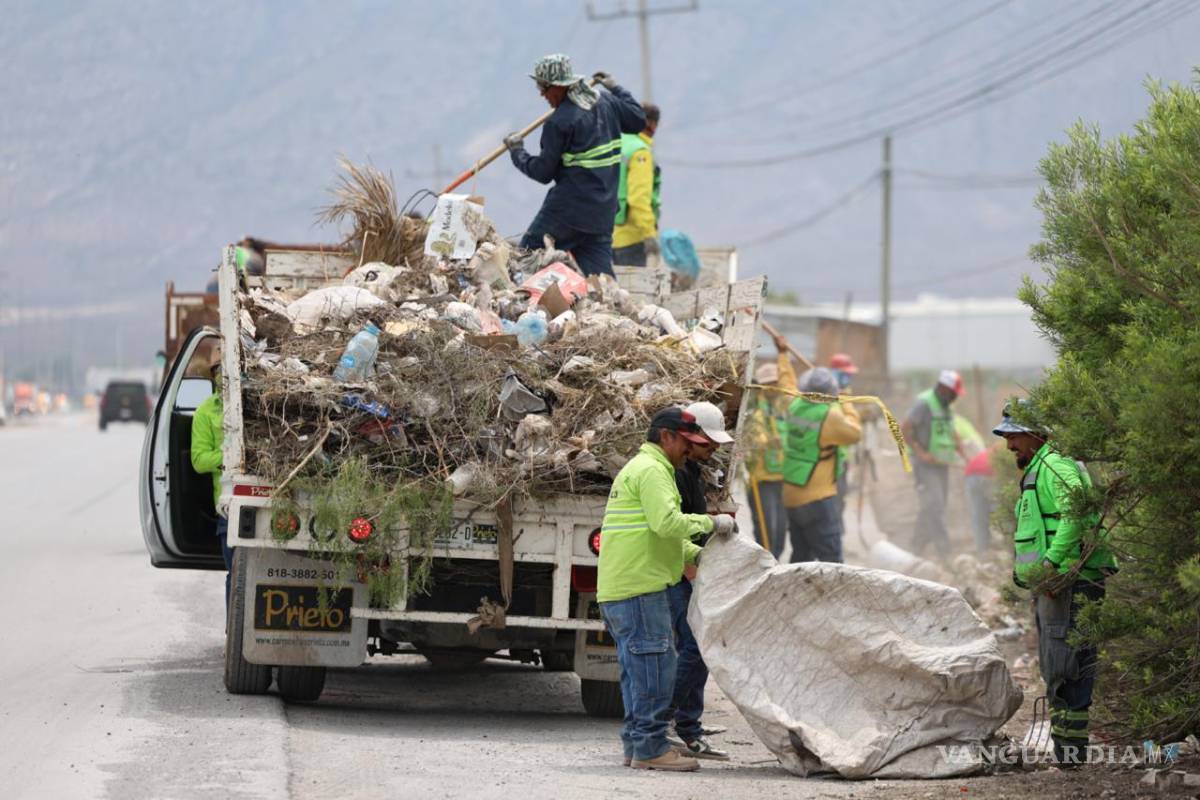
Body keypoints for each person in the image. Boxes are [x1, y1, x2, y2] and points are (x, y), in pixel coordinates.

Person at [597, 407, 736, 772]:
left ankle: (637, 745)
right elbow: (667, 523)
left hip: (625, 587)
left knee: (636, 673)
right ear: (667, 437)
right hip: (640, 588)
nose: (690, 451)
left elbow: (658, 535)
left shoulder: (646, 469)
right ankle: (650, 748)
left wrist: (700, 555)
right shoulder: (654, 471)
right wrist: (712, 522)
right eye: (686, 443)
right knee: (656, 671)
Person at [992, 402, 1116, 767]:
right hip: (1059, 585)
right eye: (1007, 435)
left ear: (1036, 434)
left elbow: (1075, 515)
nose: (1009, 444)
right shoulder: (1041, 466)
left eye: (1014, 435)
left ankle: (1071, 758)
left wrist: (1050, 566)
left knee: (1067, 668)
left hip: (1069, 584)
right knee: (1061, 668)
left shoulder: (1054, 465)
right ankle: (1068, 756)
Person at [505, 54, 646, 278]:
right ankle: (609, 311)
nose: (542, 94)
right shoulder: (606, 102)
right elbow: (638, 119)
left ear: (559, 87)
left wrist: (517, 152)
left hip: (566, 214)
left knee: (523, 261)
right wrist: (617, 89)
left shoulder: (560, 121)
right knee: (602, 282)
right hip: (601, 214)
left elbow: (543, 172)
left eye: (543, 87)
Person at [664, 401, 732, 762]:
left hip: (689, 567)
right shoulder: (672, 473)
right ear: (690, 438)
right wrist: (690, 565)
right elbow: (670, 526)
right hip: (676, 571)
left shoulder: (690, 470)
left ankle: (688, 727)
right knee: (694, 645)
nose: (715, 450)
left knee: (698, 646)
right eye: (709, 444)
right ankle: (667, 720)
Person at [781, 367, 862, 563]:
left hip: (792, 495)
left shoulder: (793, 404)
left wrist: (783, 356)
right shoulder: (830, 416)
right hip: (817, 498)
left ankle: (794, 593)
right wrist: (845, 401)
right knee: (832, 559)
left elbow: (786, 383)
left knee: (801, 558)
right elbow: (855, 433)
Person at [900, 369, 965, 557]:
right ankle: (945, 553)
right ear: (944, 389)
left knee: (934, 506)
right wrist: (920, 453)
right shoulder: (924, 404)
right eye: (954, 394)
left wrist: (964, 454)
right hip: (925, 465)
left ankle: (915, 548)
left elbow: (952, 431)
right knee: (934, 506)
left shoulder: (946, 406)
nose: (955, 398)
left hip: (941, 463)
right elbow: (904, 428)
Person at [745, 331, 798, 559]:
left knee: (780, 536)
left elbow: (790, 385)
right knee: (767, 534)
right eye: (769, 384)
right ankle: (766, 572)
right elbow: (749, 439)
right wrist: (767, 442)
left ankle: (775, 569)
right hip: (762, 480)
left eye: (776, 383)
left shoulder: (785, 407)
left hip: (783, 479)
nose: (774, 387)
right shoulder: (755, 410)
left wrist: (783, 355)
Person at [190, 348, 232, 605]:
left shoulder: (258, 402)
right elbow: (199, 460)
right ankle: (234, 635)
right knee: (236, 573)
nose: (223, 376)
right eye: (218, 371)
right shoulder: (205, 412)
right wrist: (229, 459)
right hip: (229, 506)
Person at [612, 103, 661, 266]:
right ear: (652, 124)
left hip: (606, 234)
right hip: (630, 237)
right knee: (632, 290)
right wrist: (649, 234)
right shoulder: (640, 152)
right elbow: (638, 199)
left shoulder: (616, 142)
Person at [827, 352, 859, 515]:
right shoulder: (826, 393)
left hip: (843, 458)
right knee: (833, 501)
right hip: (830, 459)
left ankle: (837, 531)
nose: (848, 378)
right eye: (845, 374)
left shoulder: (845, 393)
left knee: (840, 499)